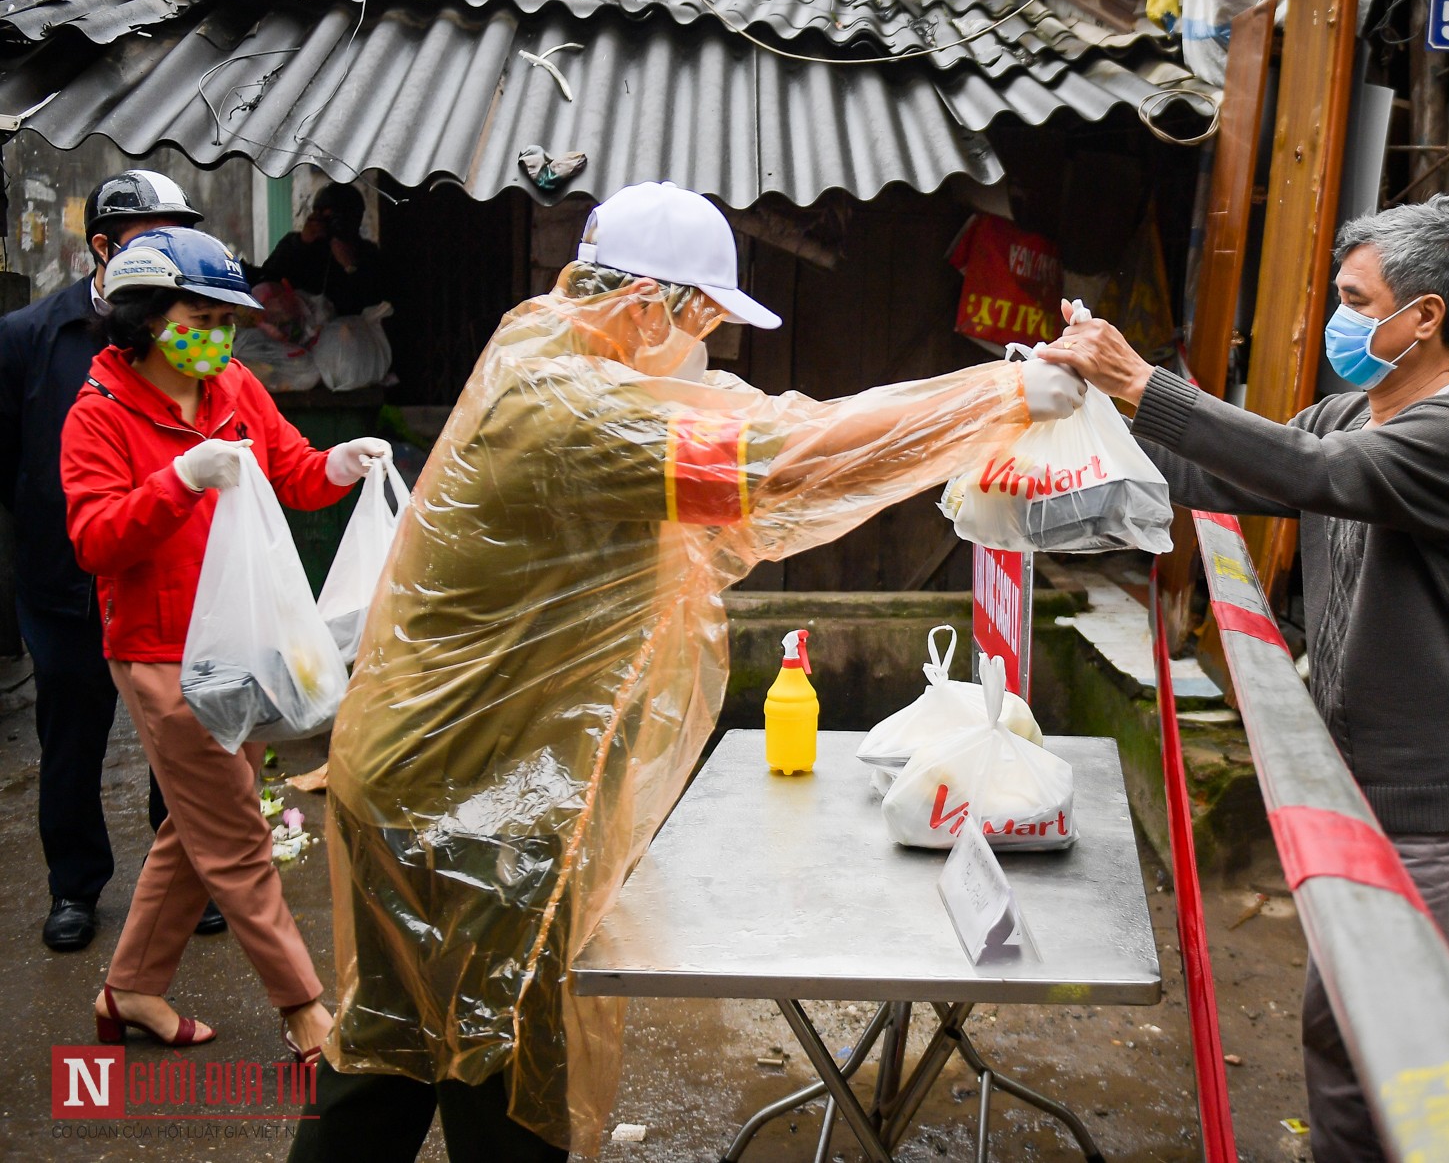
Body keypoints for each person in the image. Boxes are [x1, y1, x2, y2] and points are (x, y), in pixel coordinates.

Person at [288, 181, 1084, 1161]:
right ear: (644, 305)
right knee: (490, 1062)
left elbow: (754, 431)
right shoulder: (568, 408)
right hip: (467, 807)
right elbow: (782, 463)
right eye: (702, 316)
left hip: (446, 777)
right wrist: (993, 397)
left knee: (399, 1051)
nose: (708, 344)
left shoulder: (557, 353)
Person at [1042, 194, 1449, 1162]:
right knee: (1338, 1045)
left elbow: (1307, 471)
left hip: (1436, 818)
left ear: (1425, 317)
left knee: (1429, 1088)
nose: (1341, 317)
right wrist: (1067, 412)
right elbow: (1227, 473)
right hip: (1353, 805)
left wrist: (1141, 381)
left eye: (1356, 298)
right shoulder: (1350, 410)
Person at [61, 227, 390, 1057]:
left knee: (196, 829)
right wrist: (177, 481)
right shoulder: (96, 415)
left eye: (224, 318)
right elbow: (95, 540)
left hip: (245, 650)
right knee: (236, 834)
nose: (219, 333)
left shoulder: (234, 385)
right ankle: (305, 1010)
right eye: (199, 316)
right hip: (162, 657)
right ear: (143, 317)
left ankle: (130, 989)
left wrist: (342, 467)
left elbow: (295, 474)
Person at [0, 169, 228, 951]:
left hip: (170, 580)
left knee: (182, 733)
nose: (169, 248)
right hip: (66, 582)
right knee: (72, 737)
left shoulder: (190, 333)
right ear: (101, 247)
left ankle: (187, 876)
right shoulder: (31, 337)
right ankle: (74, 889)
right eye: (147, 234)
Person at [253, 182, 385, 315]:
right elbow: (267, 280)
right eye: (317, 213)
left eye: (331, 216)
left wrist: (350, 267)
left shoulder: (367, 253)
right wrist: (301, 244)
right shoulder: (295, 244)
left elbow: (375, 302)